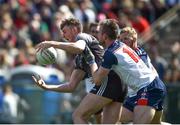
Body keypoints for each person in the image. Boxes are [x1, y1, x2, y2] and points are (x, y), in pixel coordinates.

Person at [33, 18, 127, 124]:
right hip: (119, 83)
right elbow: (71, 86)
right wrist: (47, 87)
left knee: (78, 116)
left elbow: (79, 47)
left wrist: (52, 43)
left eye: (65, 32)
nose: (63, 36)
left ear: (74, 29)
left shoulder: (82, 37)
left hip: (109, 81)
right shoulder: (79, 59)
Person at [84, 19, 167, 124]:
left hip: (148, 89)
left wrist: (90, 60)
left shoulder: (111, 53)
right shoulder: (120, 46)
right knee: (114, 118)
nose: (96, 36)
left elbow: (97, 80)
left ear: (105, 36)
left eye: (98, 32)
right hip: (146, 88)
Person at [118, 26, 164, 124]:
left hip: (148, 90)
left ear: (134, 39)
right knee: (114, 117)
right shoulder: (129, 52)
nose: (122, 42)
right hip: (139, 92)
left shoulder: (137, 54)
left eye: (125, 39)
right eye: (120, 39)